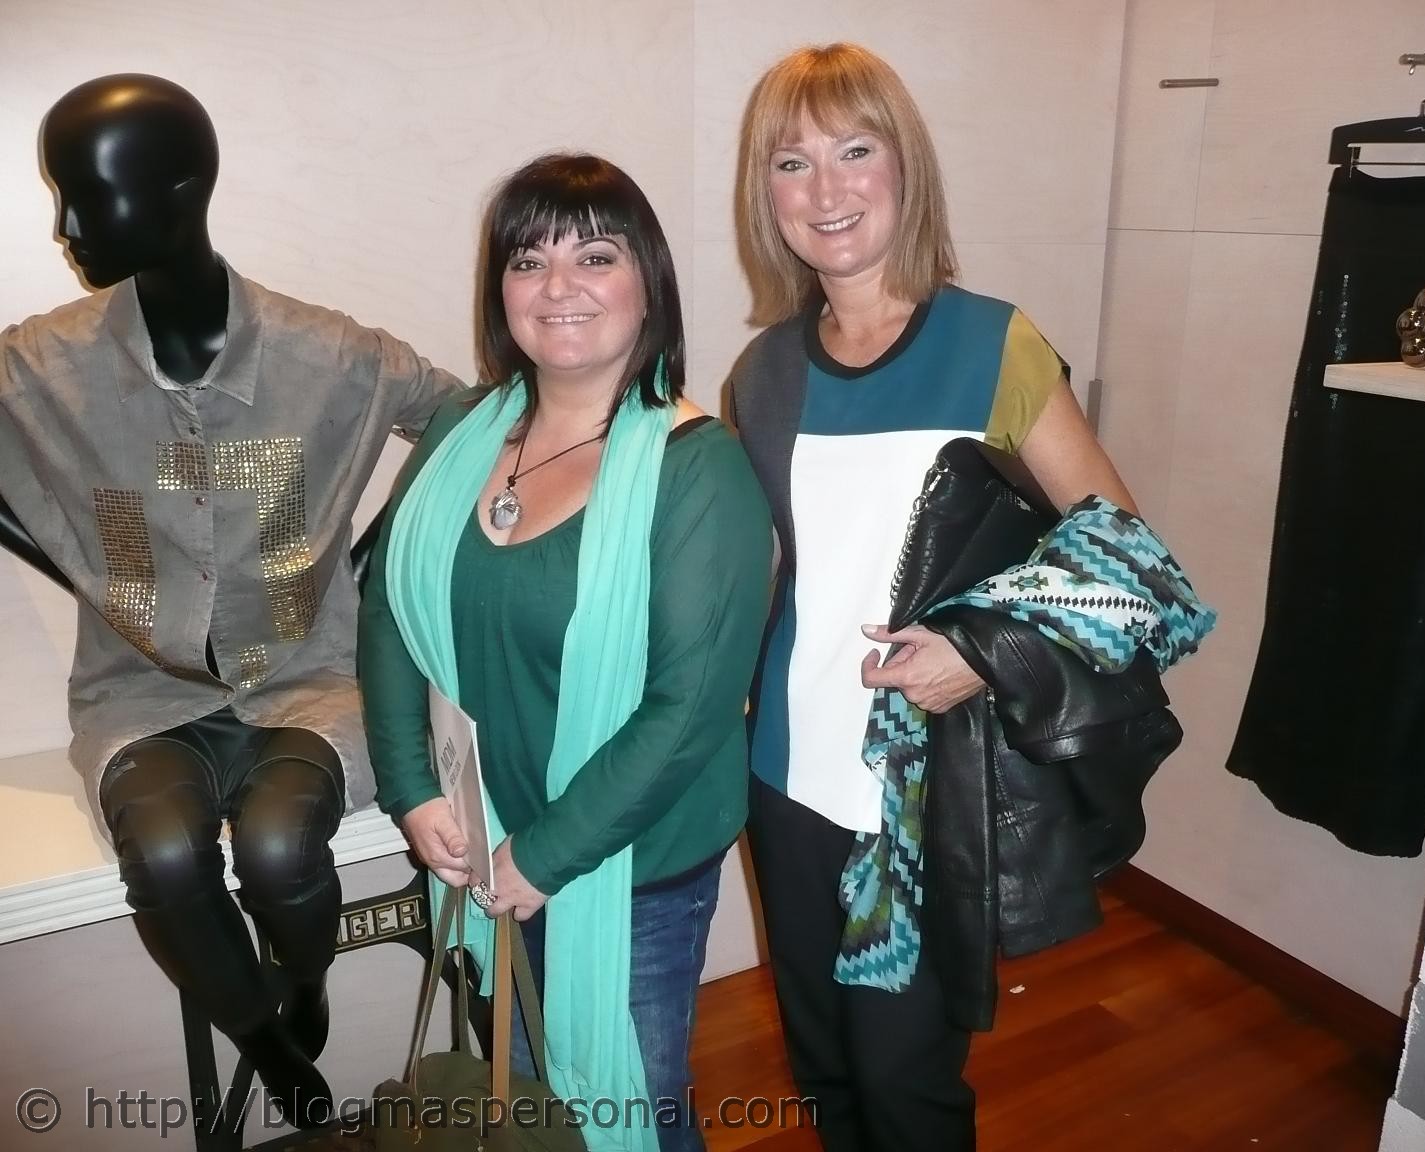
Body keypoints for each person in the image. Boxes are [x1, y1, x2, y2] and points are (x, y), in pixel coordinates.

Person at [0, 74, 463, 1128]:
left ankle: (304, 982)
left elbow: (473, 426)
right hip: (139, 696)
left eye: (88, 195)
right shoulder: (43, 365)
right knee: (164, 856)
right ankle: (264, 1033)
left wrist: (371, 570)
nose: (66, 227)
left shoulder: (330, 356)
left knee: (280, 845)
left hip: (309, 685)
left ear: (182, 190)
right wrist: (78, 563)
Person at [729, 44, 1142, 1152]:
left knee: (904, 1085)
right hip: (782, 776)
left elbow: (1131, 563)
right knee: (823, 1068)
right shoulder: (763, 372)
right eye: (792, 162)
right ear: (766, 194)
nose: (826, 189)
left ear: (905, 165)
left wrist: (982, 651)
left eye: (855, 151)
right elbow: (778, 574)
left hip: (917, 794)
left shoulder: (991, 342)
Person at [358, 152, 773, 1151]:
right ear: (498, 289)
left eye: (595, 256)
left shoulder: (698, 469)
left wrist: (541, 858)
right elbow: (389, 611)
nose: (558, 287)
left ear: (648, 285)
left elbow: (688, 710)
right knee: (530, 1094)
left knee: (623, 1109)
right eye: (528, 260)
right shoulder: (461, 427)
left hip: (630, 866)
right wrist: (413, 790)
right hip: (481, 832)